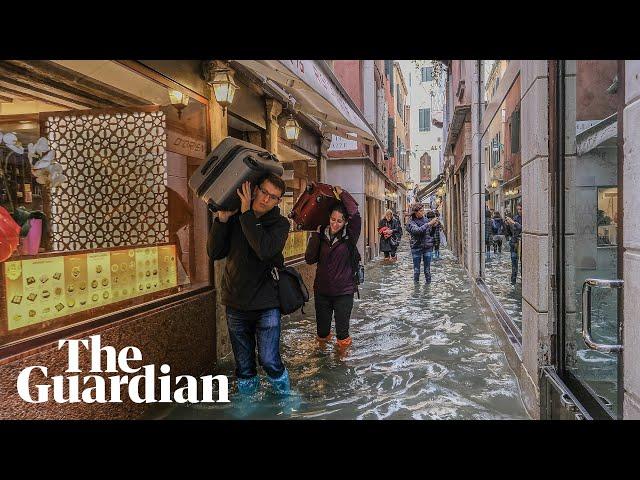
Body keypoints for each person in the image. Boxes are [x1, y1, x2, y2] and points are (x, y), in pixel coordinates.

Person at [207, 174, 291, 396]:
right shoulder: (235, 218)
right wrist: (222, 220)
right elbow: (214, 253)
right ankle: (248, 407)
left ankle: (286, 399)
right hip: (235, 303)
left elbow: (264, 250)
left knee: (270, 360)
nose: (266, 199)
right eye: (264, 192)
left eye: (273, 197)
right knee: (244, 367)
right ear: (255, 190)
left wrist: (246, 215)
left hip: (267, 304)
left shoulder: (280, 224)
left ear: (278, 202)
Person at [305, 186, 361, 349]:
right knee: (322, 333)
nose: (335, 224)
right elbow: (309, 259)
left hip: (344, 292)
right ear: (328, 218)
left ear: (345, 222)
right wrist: (315, 235)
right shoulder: (320, 235)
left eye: (339, 221)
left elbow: (356, 215)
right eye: (333, 219)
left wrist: (343, 194)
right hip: (322, 292)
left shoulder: (350, 237)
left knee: (342, 334)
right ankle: (323, 360)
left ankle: (341, 364)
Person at [406, 203, 439, 283]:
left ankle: (428, 291)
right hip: (416, 247)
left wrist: (434, 227)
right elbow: (417, 231)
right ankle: (416, 292)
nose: (423, 212)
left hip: (427, 247)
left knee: (427, 270)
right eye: (421, 211)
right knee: (416, 271)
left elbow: (430, 234)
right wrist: (429, 224)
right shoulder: (411, 222)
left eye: (423, 210)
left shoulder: (426, 219)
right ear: (416, 212)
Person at [505, 203, 523, 284]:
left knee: (523, 264)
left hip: (522, 244)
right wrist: (508, 225)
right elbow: (510, 233)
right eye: (518, 209)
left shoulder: (527, 219)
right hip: (514, 243)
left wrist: (514, 223)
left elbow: (522, 229)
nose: (519, 211)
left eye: (521, 209)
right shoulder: (516, 218)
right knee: (514, 264)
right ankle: (513, 281)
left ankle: (524, 281)